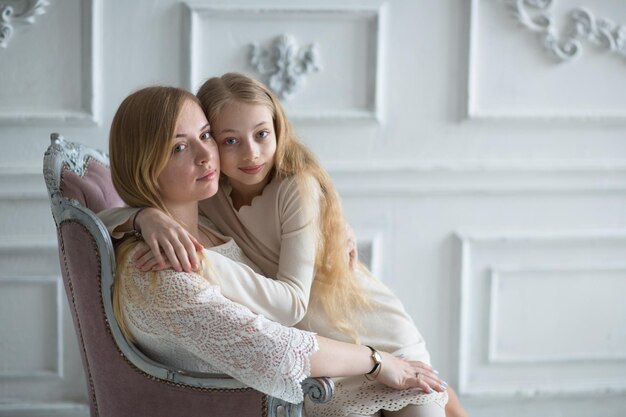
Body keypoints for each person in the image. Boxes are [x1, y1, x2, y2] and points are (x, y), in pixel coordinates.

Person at [100, 75, 467, 417]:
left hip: (364, 329)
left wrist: (333, 225)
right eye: (180, 146)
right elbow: (94, 222)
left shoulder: (209, 208)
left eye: (206, 136)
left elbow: (286, 301)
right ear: (144, 164)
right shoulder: (179, 240)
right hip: (332, 358)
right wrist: (140, 218)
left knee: (432, 397)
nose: (205, 155)